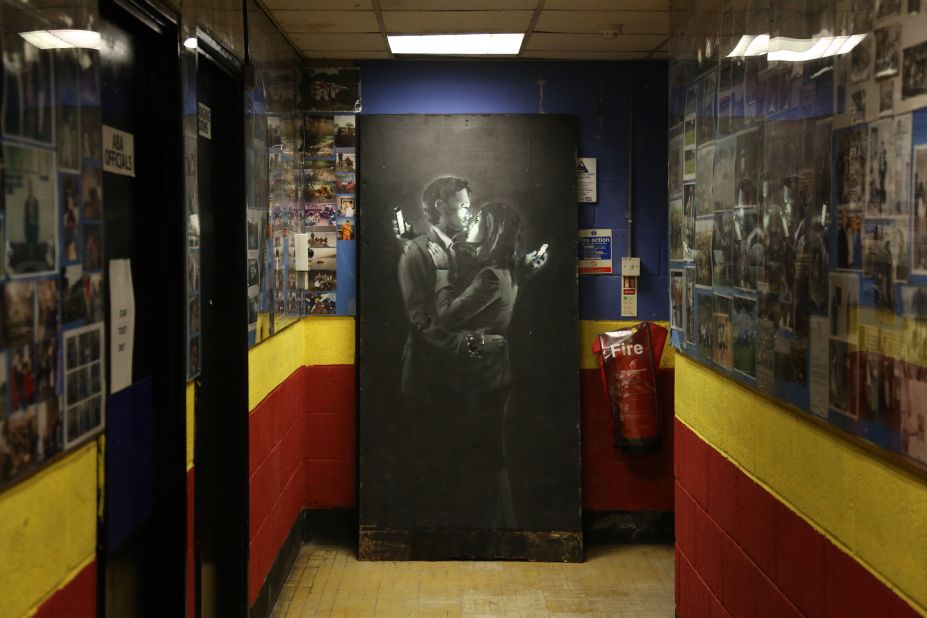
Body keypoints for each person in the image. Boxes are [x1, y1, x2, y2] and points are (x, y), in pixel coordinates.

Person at [426, 201, 523, 531]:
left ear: (493, 228)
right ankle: (500, 526)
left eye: (479, 216)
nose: (471, 218)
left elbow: (447, 314)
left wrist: (440, 270)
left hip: (482, 377)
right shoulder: (504, 270)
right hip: (494, 373)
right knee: (489, 456)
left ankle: (496, 529)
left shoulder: (489, 277)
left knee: (483, 457)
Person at [24, 179, 39, 260]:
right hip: (28, 226)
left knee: (34, 242)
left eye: (31, 187)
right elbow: (25, 217)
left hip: (34, 225)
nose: (30, 189)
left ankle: (34, 256)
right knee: (29, 242)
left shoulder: (36, 201)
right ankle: (29, 256)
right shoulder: (26, 202)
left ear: (33, 189)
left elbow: (38, 216)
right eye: (29, 188)